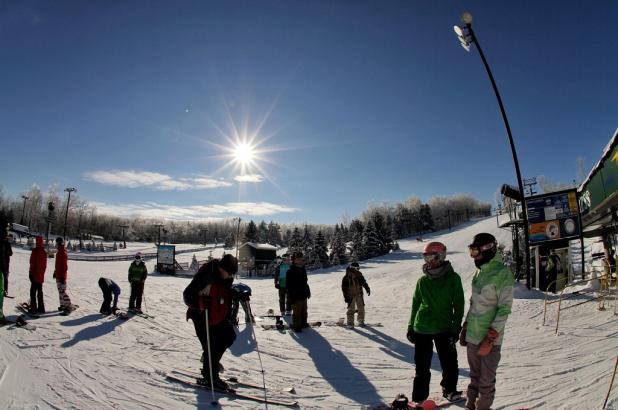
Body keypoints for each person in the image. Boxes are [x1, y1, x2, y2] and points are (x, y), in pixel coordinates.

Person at [407, 241, 465, 408]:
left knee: (449, 362)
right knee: (421, 365)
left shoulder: (453, 279)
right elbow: (415, 305)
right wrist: (411, 327)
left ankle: (449, 390)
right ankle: (419, 397)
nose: (428, 261)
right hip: (422, 328)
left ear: (441, 256)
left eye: (432, 257)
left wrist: (455, 329)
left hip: (444, 327)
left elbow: (458, 306)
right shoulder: (422, 281)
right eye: (426, 257)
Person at [460, 233, 513, 410]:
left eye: (476, 251)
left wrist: (490, 340)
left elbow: (504, 309)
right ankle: (470, 406)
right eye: (472, 251)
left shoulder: (502, 273)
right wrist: (466, 326)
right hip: (473, 336)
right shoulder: (479, 272)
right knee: (474, 377)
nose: (474, 256)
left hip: (489, 340)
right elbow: (474, 303)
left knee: (485, 382)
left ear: (488, 249)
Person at [183, 254, 238, 390]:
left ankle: (211, 363)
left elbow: (224, 292)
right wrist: (201, 303)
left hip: (218, 314)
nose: (231, 276)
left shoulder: (225, 276)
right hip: (202, 316)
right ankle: (210, 377)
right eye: (229, 273)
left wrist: (235, 295)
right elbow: (187, 295)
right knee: (211, 347)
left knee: (229, 336)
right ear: (221, 268)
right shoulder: (206, 275)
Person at [285, 251, 311, 333]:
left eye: (301, 259)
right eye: (298, 259)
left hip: (303, 295)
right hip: (295, 296)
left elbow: (305, 282)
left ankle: (304, 323)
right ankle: (297, 326)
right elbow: (288, 286)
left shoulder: (303, 270)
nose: (300, 261)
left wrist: (308, 291)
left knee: (304, 311)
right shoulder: (290, 271)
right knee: (297, 313)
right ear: (294, 260)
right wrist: (290, 297)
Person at [341, 262, 371, 327]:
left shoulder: (359, 275)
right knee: (351, 309)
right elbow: (344, 288)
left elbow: (364, 282)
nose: (358, 270)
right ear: (353, 268)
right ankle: (350, 323)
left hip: (359, 294)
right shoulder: (347, 277)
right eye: (357, 268)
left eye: (358, 268)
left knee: (361, 308)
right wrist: (346, 297)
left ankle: (361, 321)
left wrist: (367, 288)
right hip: (351, 295)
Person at [53, 237, 73, 312]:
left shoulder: (63, 252)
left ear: (60, 243)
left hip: (62, 276)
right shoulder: (59, 252)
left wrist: (62, 277)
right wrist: (55, 272)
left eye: (57, 243)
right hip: (58, 274)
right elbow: (58, 264)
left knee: (62, 291)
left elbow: (64, 266)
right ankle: (62, 305)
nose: (56, 244)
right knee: (60, 291)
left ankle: (68, 305)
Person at [29, 235, 47, 313]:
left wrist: (30, 273)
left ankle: (33, 308)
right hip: (41, 275)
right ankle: (41, 307)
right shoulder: (44, 252)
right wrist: (42, 273)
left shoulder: (35, 251)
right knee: (40, 291)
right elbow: (44, 265)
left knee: (33, 291)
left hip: (35, 275)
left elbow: (32, 263)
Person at [3, 231, 12, 297]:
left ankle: (5, 290)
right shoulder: (6, 243)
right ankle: (5, 290)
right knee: (5, 277)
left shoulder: (7, 244)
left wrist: (7, 253)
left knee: (5, 277)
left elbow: (11, 253)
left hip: (6, 262)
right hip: (4, 263)